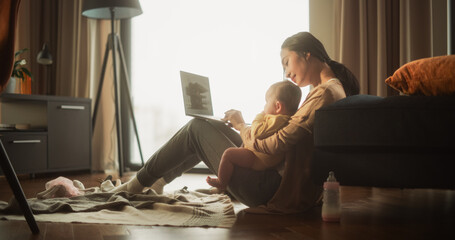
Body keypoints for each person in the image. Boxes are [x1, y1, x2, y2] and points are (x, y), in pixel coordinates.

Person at [111, 31, 359, 213]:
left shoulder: (325, 93)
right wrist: (248, 128)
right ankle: (157, 182)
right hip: (274, 177)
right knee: (208, 126)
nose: (286, 72)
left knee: (197, 128)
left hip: (269, 189)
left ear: (307, 54)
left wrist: (243, 127)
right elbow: (286, 139)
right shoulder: (327, 89)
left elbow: (278, 144)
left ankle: (135, 185)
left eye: (287, 62)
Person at [206, 80, 301, 191]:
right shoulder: (286, 119)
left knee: (229, 154)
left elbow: (256, 132)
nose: (264, 106)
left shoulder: (277, 120)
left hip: (257, 159)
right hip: (262, 157)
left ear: (278, 106)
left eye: (266, 102)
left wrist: (260, 115)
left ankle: (221, 182)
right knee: (238, 147)